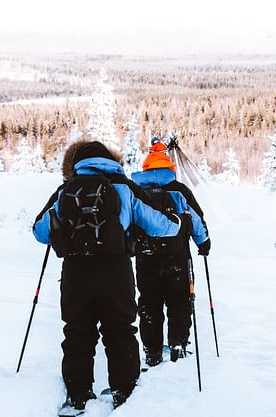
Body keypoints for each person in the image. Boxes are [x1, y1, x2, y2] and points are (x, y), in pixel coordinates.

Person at [32, 140, 185, 411]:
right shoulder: (123, 187)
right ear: (111, 160)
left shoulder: (66, 190)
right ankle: (124, 396)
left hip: (75, 274)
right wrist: (178, 221)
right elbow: (164, 225)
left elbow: (40, 231)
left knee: (77, 333)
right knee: (120, 333)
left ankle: (78, 397)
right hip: (116, 272)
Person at [130, 138, 210, 367]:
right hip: (178, 257)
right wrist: (203, 243)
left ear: (146, 168)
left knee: (149, 303)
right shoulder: (179, 191)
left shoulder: (136, 193)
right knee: (180, 301)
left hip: (146, 259)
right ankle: (178, 343)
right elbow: (196, 220)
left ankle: (152, 351)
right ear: (168, 167)